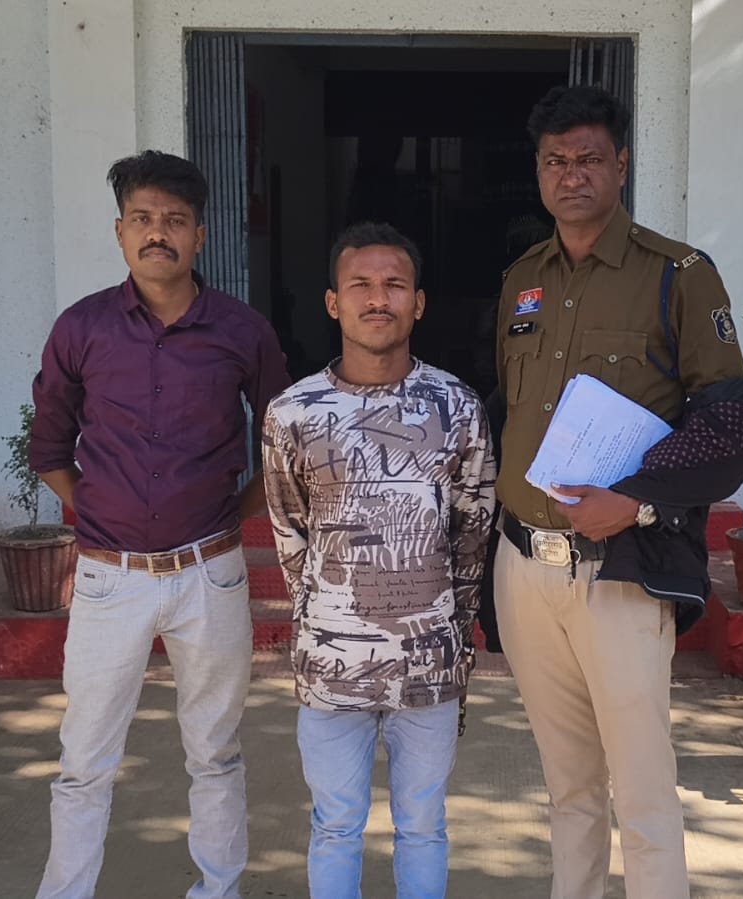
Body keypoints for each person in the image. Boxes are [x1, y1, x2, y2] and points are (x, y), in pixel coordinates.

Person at [492, 86, 743, 899]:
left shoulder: (677, 275)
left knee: (641, 790)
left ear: (620, 164)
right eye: (554, 161)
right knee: (567, 786)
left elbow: (731, 422)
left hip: (618, 569)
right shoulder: (521, 279)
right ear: (538, 170)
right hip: (523, 567)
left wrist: (638, 497)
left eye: (587, 159)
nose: (570, 175)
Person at [27, 150, 290, 899]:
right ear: (119, 232)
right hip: (109, 579)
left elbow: (283, 446)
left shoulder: (242, 330)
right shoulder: (82, 328)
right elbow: (49, 448)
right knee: (84, 758)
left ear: (199, 236)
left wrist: (232, 516)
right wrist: (96, 512)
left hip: (210, 573)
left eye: (174, 221)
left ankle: (219, 889)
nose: (157, 234)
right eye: (142, 219)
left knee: (215, 751)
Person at [262, 222, 496, 899]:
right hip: (331, 665)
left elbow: (472, 533)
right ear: (332, 302)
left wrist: (454, 637)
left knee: (422, 824)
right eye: (359, 284)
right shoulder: (292, 412)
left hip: (429, 663)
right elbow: (290, 532)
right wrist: (322, 620)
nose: (376, 298)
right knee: (335, 825)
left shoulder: (457, 407)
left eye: (394, 285)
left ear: (417, 303)